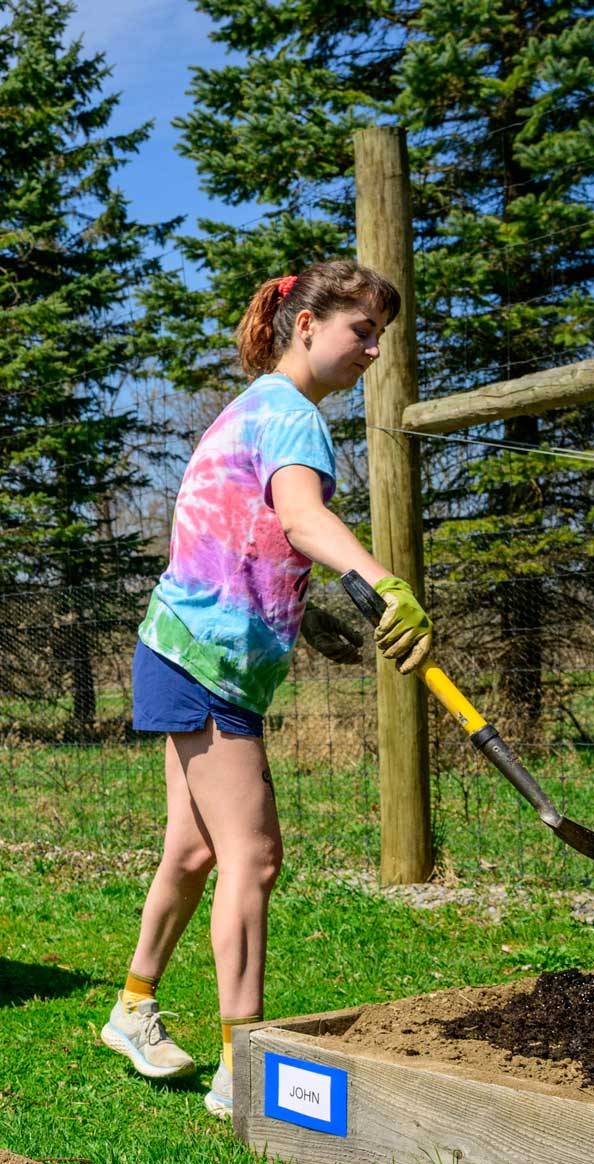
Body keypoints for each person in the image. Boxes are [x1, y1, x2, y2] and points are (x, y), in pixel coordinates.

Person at [100, 260, 433, 1118]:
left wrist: (306, 613)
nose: (371, 350)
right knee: (254, 857)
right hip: (206, 665)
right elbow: (301, 518)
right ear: (308, 325)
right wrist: (380, 580)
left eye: (379, 337)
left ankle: (134, 1008)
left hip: (183, 650)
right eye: (361, 331)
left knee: (195, 849)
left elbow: (250, 539)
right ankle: (241, 1063)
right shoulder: (293, 418)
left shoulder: (251, 409)